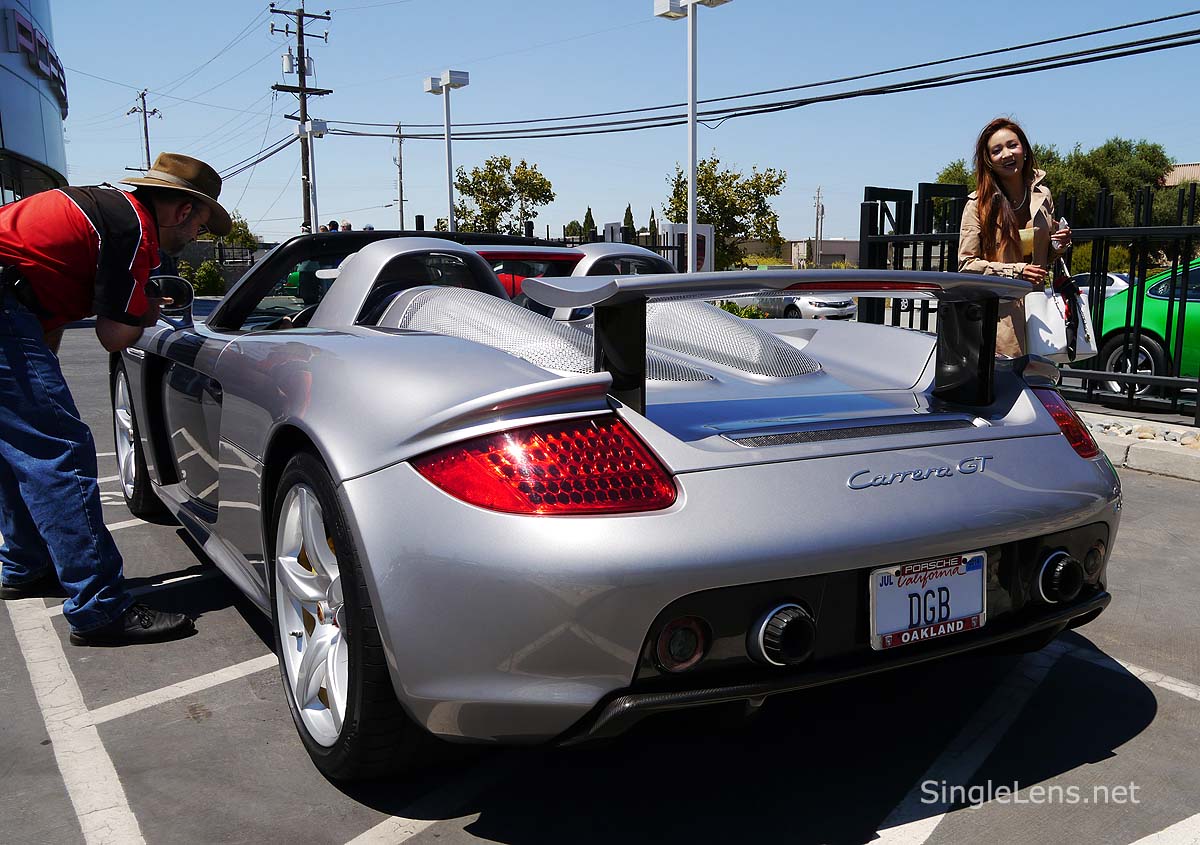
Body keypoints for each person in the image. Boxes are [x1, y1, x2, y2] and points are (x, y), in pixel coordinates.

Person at [0, 152, 232, 645]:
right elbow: (113, 335)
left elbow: (46, 307)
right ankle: (98, 609)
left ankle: (23, 564)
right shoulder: (134, 231)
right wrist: (146, 307)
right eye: (201, 225)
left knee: (20, 449)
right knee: (59, 452)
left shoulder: (101, 212)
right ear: (183, 211)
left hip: (11, 305)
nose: (196, 238)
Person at [958, 117, 1072, 357]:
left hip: (1039, 312)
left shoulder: (1043, 196)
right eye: (997, 150)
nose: (1007, 154)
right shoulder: (978, 205)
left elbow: (1043, 257)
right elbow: (967, 265)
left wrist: (1058, 244)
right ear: (988, 161)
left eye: (1012, 145)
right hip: (999, 317)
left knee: (1040, 383)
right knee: (1008, 387)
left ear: (1025, 149)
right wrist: (1016, 271)